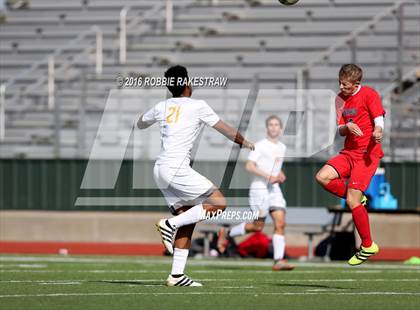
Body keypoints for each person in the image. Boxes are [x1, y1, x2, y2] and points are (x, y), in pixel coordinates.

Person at [137, 65, 254, 286]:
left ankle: (177, 275)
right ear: (187, 85)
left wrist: (154, 115)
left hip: (160, 169)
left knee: (188, 219)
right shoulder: (198, 105)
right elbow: (225, 129)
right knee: (219, 203)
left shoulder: (162, 106)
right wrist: (245, 142)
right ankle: (168, 225)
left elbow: (140, 123)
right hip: (176, 168)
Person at [315, 64, 385, 265]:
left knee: (353, 202)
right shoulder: (339, 99)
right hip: (349, 152)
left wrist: (378, 130)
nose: (341, 87)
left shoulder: (369, 95)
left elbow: (378, 117)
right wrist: (347, 126)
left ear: (357, 84)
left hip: (367, 155)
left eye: (345, 84)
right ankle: (356, 198)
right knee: (322, 177)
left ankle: (367, 245)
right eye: (340, 82)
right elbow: (339, 129)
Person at [218, 115, 294, 271]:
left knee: (280, 223)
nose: (273, 127)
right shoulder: (259, 146)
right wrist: (269, 176)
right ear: (267, 128)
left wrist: (280, 175)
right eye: (271, 125)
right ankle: (227, 232)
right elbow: (250, 166)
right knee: (257, 227)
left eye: (276, 125)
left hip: (274, 190)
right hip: (259, 189)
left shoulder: (282, 147)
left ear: (280, 129)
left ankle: (278, 260)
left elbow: (274, 168)